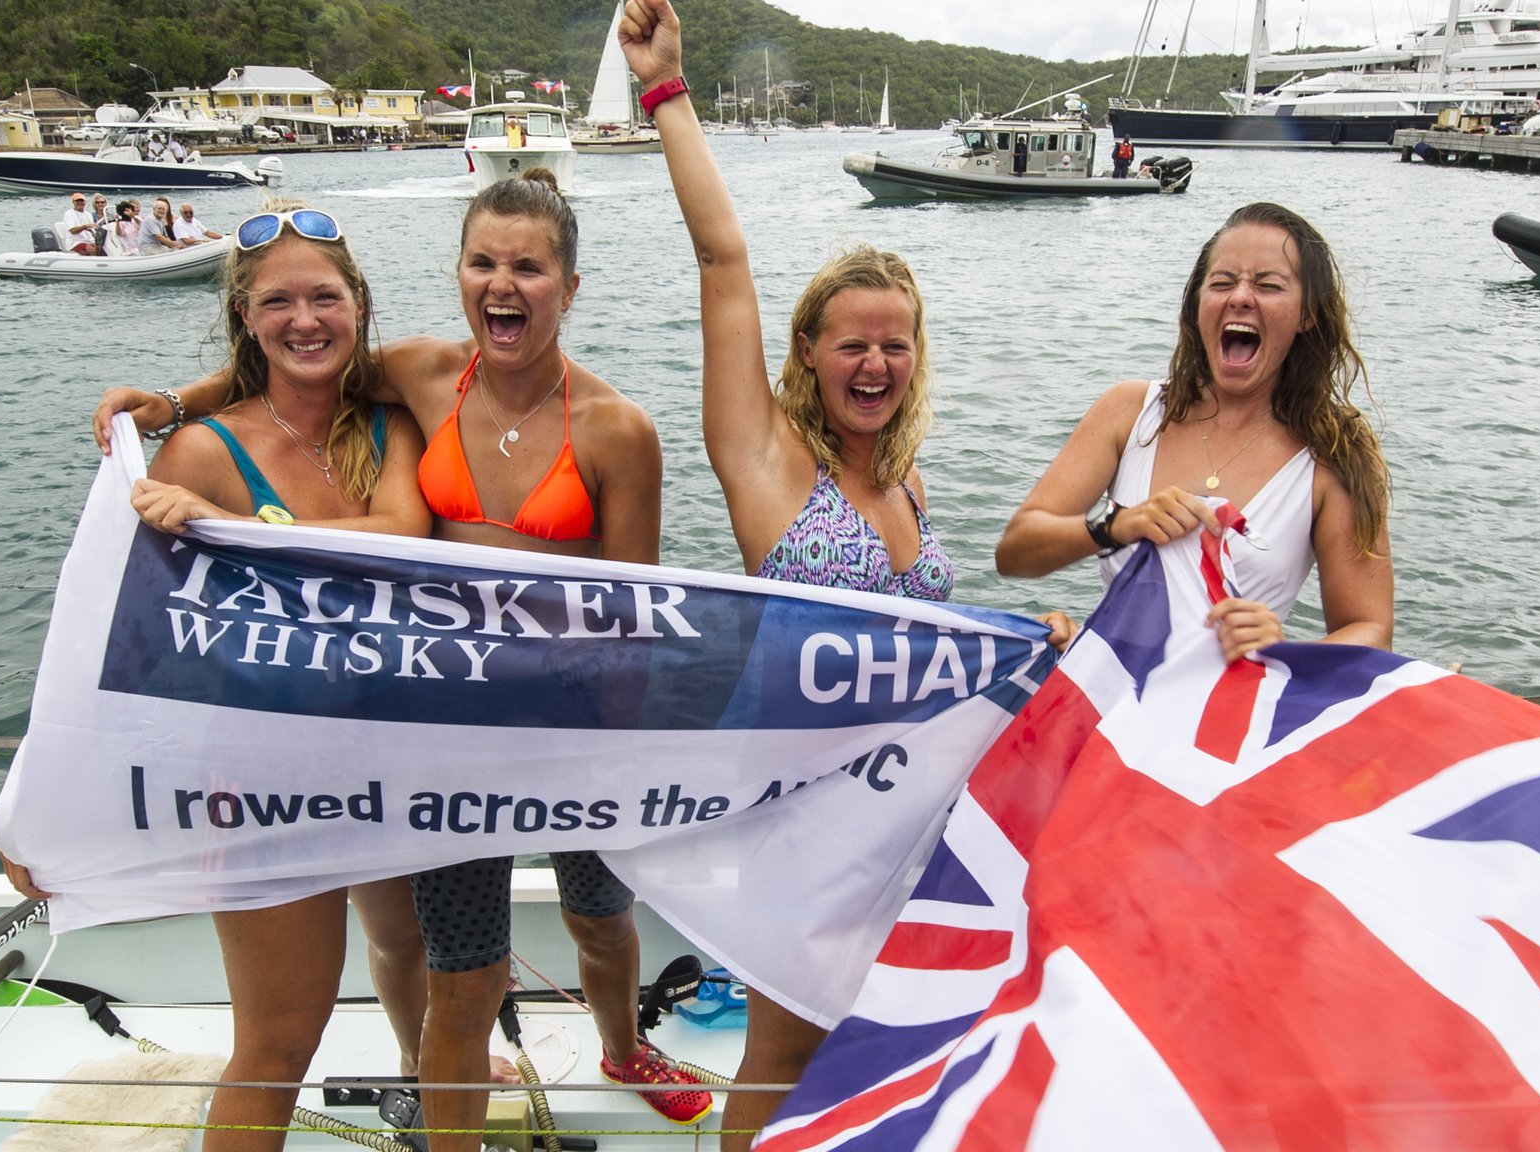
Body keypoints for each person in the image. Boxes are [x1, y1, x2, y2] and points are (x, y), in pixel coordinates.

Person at [92, 168, 707, 1151]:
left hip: (577, 737)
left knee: (599, 919)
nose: (503, 284)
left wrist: (626, 758)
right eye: (483, 262)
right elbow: (298, 363)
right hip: (449, 748)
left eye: (529, 268)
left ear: (569, 286)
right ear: (458, 275)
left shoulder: (617, 430)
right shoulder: (422, 375)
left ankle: (623, 1046)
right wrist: (173, 403)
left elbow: (630, 612)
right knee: (463, 980)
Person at [618, 3, 1073, 1146]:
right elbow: (722, 259)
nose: (874, 362)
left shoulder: (908, 484)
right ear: (807, 354)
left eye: (894, 343)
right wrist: (665, 93)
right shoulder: (768, 461)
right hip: (800, 811)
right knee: (778, 1051)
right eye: (851, 342)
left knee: (871, 1037)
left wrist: (1030, 638)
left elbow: (929, 642)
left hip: (909, 812)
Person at [10, 200, 435, 1152]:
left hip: (387, 755)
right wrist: (38, 801)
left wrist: (238, 531)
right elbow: (108, 643)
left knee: (409, 947)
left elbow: (404, 539)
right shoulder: (202, 453)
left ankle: (417, 1083)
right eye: (277, 301)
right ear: (245, 316)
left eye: (324, 295)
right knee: (280, 1038)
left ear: (358, 305)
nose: (304, 319)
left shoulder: (387, 421)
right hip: (256, 779)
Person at [994, 201, 1393, 666]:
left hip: (1228, 724)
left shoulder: (1335, 454)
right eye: (1222, 282)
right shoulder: (1130, 412)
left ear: (1308, 315)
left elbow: (1371, 631)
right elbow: (1016, 554)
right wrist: (1115, 526)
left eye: (1268, 285)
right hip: (1109, 710)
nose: (1241, 296)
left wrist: (1286, 651)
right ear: (1198, 304)